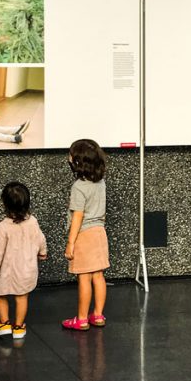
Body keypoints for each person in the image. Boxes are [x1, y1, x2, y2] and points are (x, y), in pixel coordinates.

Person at [0, 182, 47, 340]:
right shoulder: (33, 222)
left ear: (4, 204)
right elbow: (41, 239)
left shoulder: (3, 227)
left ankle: (4, 324)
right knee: (22, 297)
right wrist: (42, 253)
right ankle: (19, 328)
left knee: (0, 295)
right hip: (26, 270)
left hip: (7, 271)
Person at [61, 138, 109, 331]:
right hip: (100, 233)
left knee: (84, 278)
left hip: (84, 235)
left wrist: (71, 243)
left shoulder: (78, 187)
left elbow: (78, 217)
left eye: (71, 154)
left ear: (77, 162)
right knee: (98, 275)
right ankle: (97, 315)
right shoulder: (100, 182)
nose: (68, 157)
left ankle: (81, 319)